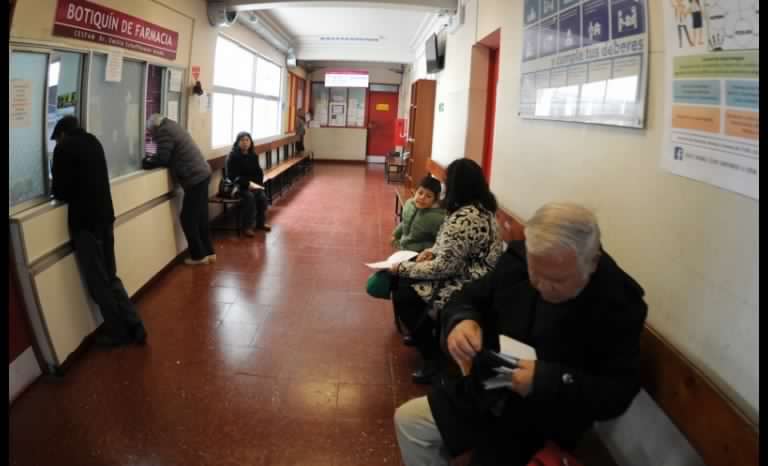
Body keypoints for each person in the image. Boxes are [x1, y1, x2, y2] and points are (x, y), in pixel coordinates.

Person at [394, 203, 648, 466]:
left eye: (557, 280)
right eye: (535, 275)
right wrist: (461, 321)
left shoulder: (619, 303)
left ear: (592, 263)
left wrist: (544, 379)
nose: (543, 287)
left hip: (546, 415)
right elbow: (468, 297)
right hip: (491, 382)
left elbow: (617, 392)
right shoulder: (520, 258)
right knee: (409, 422)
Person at [389, 159, 505, 384]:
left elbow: (444, 267)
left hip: (469, 284)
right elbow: (448, 245)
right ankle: (421, 331)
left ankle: (432, 356)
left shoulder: (465, 217)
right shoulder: (479, 209)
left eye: (447, 182)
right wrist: (431, 251)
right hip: (468, 273)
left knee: (404, 292)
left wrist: (403, 267)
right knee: (405, 281)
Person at [50, 115, 147, 348]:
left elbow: (60, 191)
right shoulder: (94, 141)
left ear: (61, 135)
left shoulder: (63, 149)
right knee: (111, 275)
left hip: (85, 223)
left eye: (57, 139)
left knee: (98, 282)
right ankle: (135, 324)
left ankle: (118, 333)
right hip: (105, 217)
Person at [146, 114, 215, 265]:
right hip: (202, 173)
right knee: (201, 217)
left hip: (195, 177)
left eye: (150, 132)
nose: (150, 135)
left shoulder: (164, 131)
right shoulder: (173, 125)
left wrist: (148, 162)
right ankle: (209, 252)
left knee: (188, 218)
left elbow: (163, 158)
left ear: (154, 127)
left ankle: (199, 256)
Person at [226, 131, 271, 236]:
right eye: (242, 140)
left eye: (247, 140)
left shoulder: (253, 156)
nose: (245, 142)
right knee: (249, 197)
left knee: (262, 196)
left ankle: (260, 223)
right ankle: (247, 227)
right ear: (237, 142)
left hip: (252, 185)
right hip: (238, 187)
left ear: (250, 142)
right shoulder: (233, 157)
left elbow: (258, 172)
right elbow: (232, 177)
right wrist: (247, 184)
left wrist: (257, 185)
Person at [391, 176, 446, 253]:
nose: (422, 197)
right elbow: (405, 222)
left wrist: (427, 249)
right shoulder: (409, 204)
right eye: (420, 193)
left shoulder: (436, 218)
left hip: (418, 253)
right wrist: (396, 234)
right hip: (403, 246)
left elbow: (438, 240)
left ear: (434, 200)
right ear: (415, 191)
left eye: (428, 196)